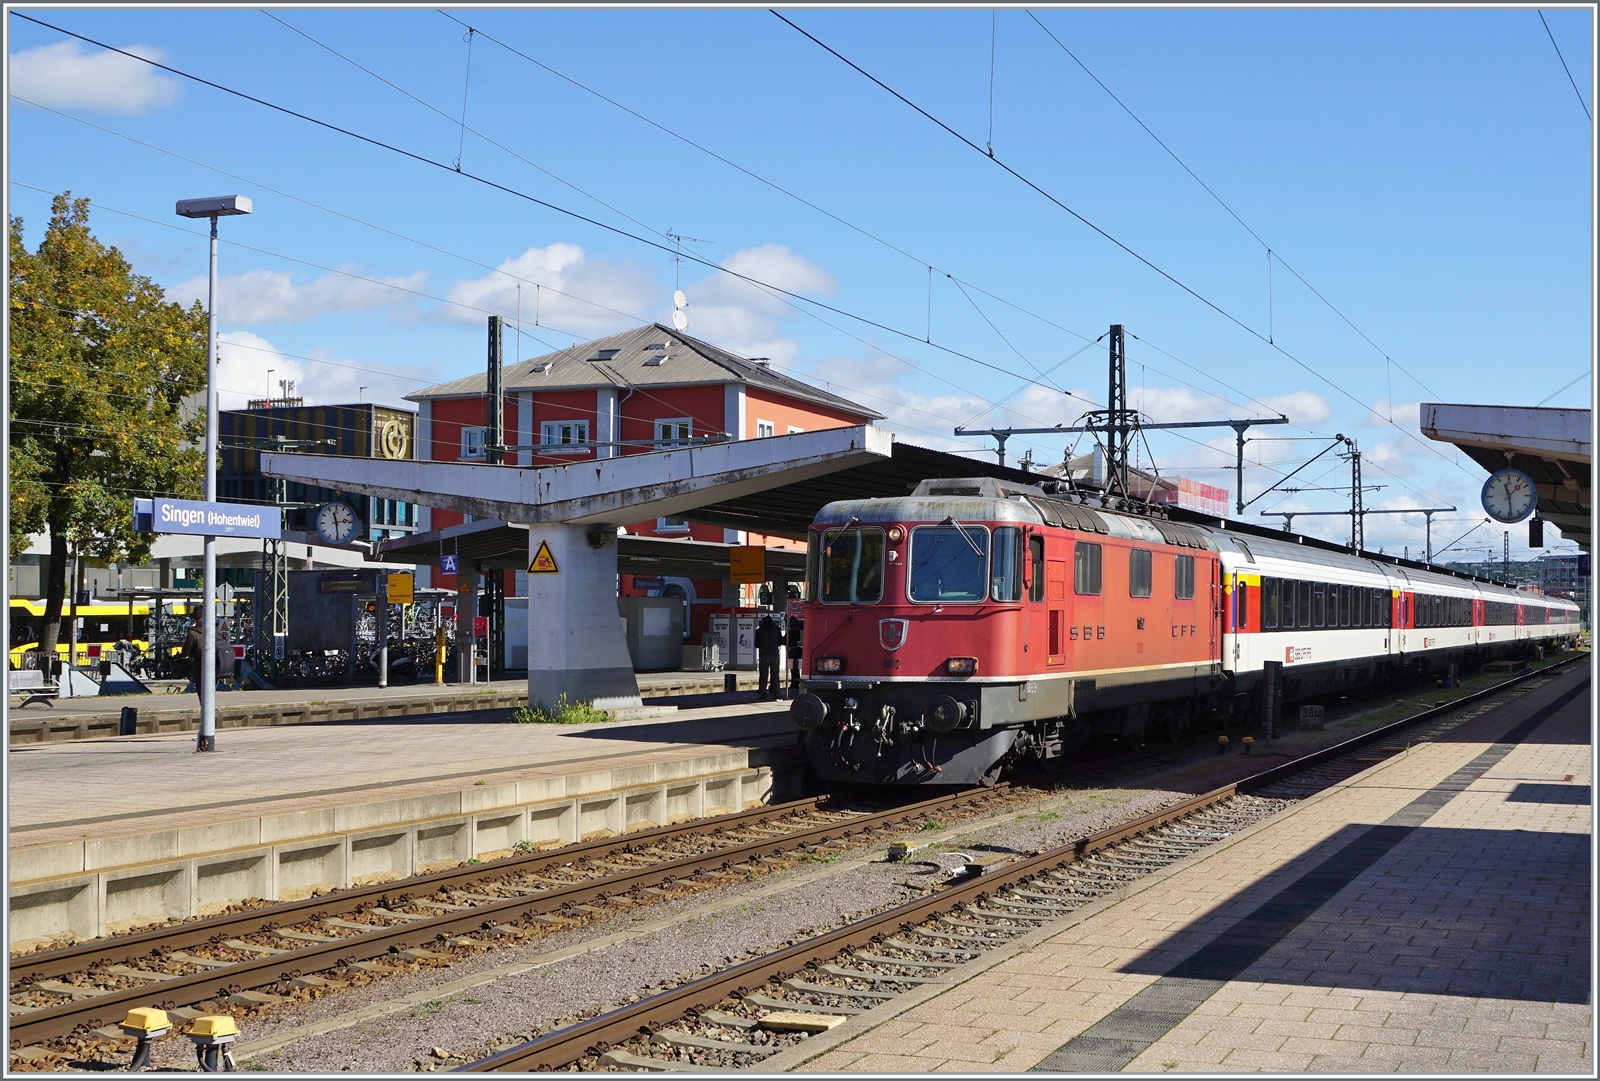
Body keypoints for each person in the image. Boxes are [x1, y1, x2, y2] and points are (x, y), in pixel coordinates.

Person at [754, 614, 783, 701]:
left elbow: (757, 644)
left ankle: (763, 695)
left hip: (764, 654)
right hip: (774, 654)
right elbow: (780, 641)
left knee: (763, 675)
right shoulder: (776, 629)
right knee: (775, 675)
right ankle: (777, 695)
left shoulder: (759, 630)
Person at [785, 614, 804, 698]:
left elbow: (786, 639)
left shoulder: (791, 630)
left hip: (792, 649)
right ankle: (796, 682)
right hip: (799, 649)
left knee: (793, 668)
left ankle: (795, 683)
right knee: (796, 668)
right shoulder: (800, 627)